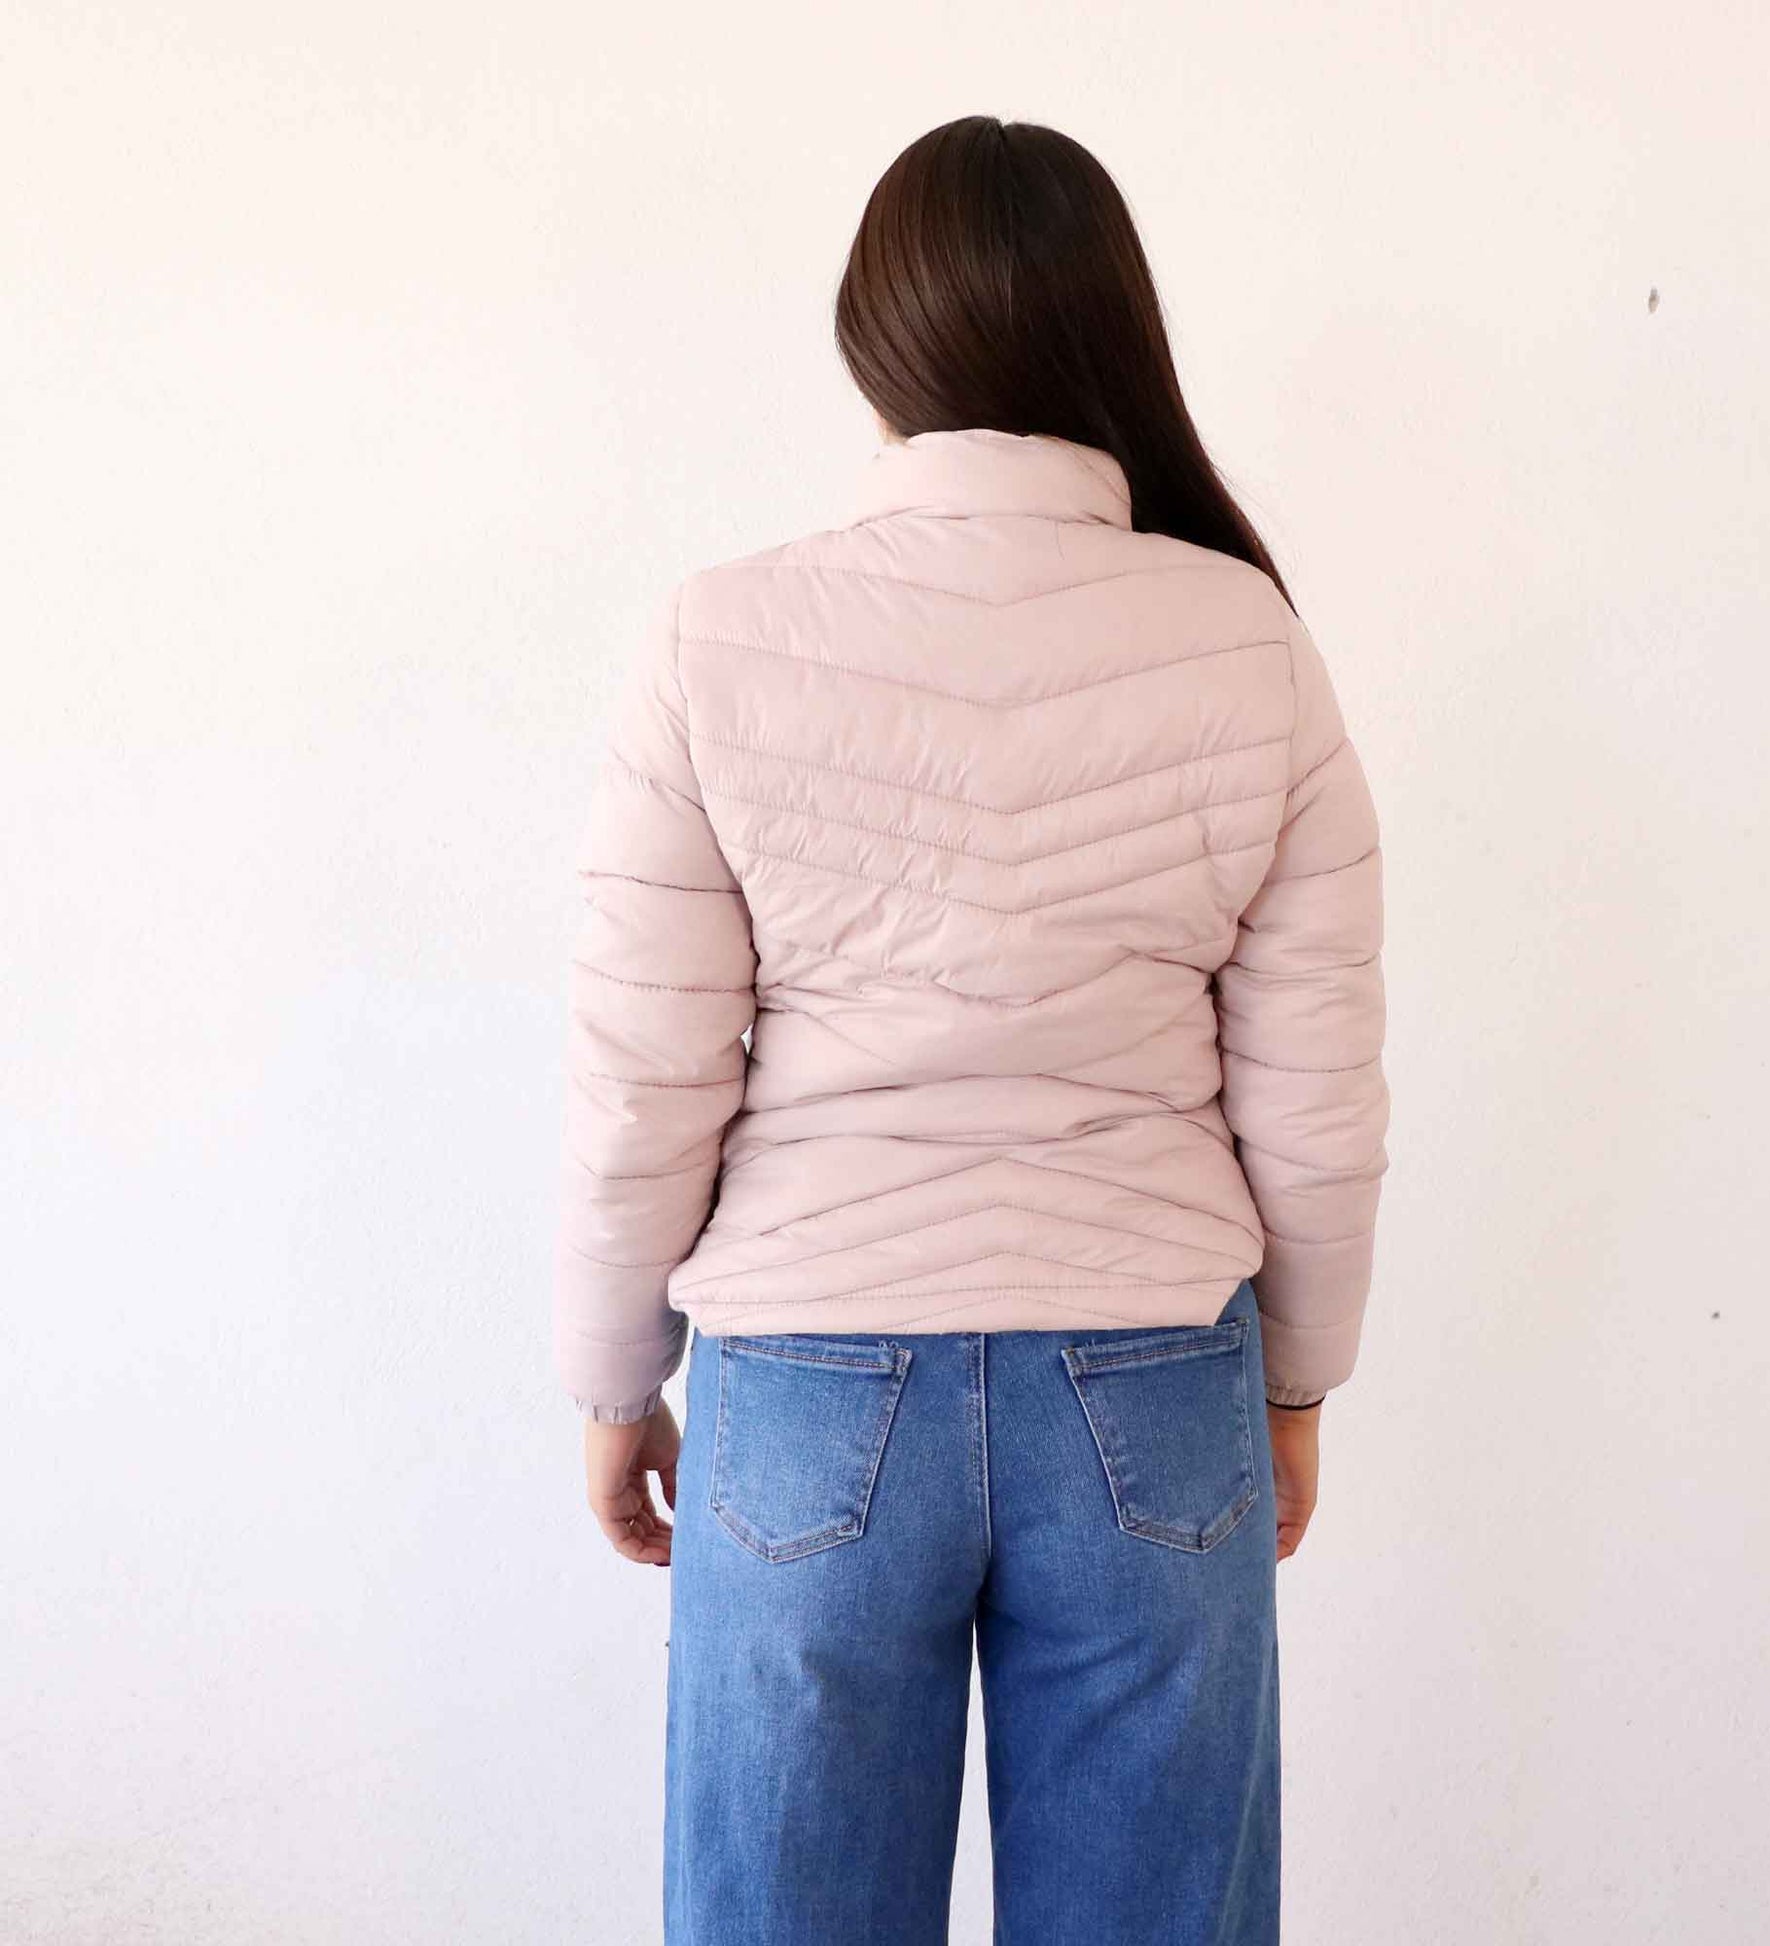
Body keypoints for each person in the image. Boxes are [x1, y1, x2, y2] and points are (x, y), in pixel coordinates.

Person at [554, 114, 1389, 1946]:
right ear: (1112, 329)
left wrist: (615, 1382)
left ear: (874, 341)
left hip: (808, 1379)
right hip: (1151, 1376)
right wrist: (1295, 1383)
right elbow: (1316, 1092)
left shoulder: (718, 638)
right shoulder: (1244, 640)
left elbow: (642, 1079)